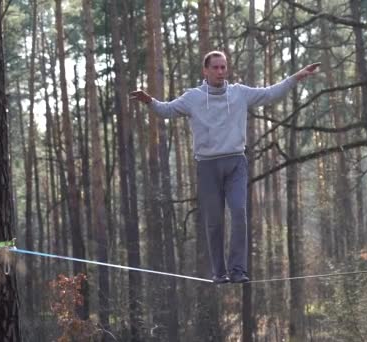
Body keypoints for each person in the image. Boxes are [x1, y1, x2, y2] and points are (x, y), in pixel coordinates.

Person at [131, 51, 320, 284]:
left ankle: (238, 270)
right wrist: (149, 100)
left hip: (236, 163)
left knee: (239, 214)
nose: (221, 72)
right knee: (215, 221)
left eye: (224, 67)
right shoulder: (193, 98)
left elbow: (271, 93)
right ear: (206, 71)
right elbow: (167, 111)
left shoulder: (239, 93)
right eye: (216, 68)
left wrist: (296, 77)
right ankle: (219, 272)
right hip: (207, 166)